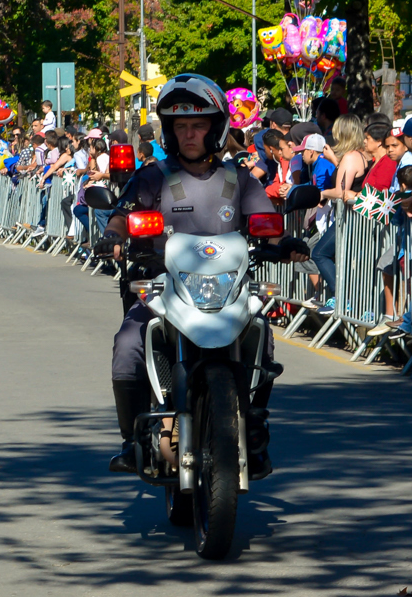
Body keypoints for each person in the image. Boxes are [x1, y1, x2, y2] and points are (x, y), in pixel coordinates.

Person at [103, 74, 295, 481]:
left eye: (198, 125)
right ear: (170, 132)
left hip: (228, 293)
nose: (189, 134)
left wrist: (288, 243)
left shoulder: (239, 180)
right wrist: (112, 237)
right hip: (163, 288)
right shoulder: (153, 175)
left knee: (262, 335)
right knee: (126, 344)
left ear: (216, 127)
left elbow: (268, 226)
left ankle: (256, 427)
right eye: (180, 126)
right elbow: (122, 215)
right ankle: (130, 440)